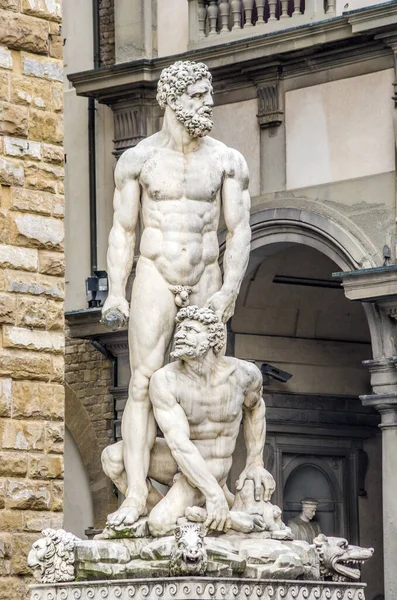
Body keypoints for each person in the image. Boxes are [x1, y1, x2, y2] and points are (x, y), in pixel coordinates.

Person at [101, 60, 252, 528]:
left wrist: (229, 290)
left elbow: (239, 229)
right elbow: (123, 231)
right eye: (196, 95)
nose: (207, 103)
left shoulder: (227, 159)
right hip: (155, 273)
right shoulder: (139, 160)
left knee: (206, 381)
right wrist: (115, 291)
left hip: (206, 273)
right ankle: (136, 493)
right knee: (142, 384)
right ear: (170, 98)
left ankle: (213, 488)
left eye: (209, 94)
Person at [102, 306, 275, 535]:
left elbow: (256, 409)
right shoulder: (166, 380)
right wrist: (213, 495)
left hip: (214, 464)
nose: (181, 335)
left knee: (159, 524)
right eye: (180, 330)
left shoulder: (244, 375)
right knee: (113, 457)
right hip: (182, 457)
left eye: (191, 330)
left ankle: (195, 515)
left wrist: (255, 462)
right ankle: (183, 511)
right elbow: (179, 444)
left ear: (213, 338)